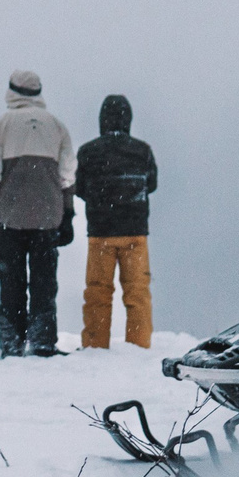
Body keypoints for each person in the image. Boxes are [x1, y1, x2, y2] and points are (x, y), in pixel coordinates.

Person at [0, 69, 75, 357]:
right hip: (47, 217)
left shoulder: (1, 125)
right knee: (44, 282)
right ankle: (43, 341)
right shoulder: (57, 126)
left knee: (11, 281)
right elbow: (67, 175)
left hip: (10, 216)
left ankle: (12, 341)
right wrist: (67, 215)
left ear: (11, 91)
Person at [74, 94, 158, 348]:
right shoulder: (142, 150)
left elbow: (79, 188)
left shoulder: (88, 151)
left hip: (101, 232)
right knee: (137, 293)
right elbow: (152, 184)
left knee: (98, 292)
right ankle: (139, 344)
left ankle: (96, 344)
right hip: (135, 231)